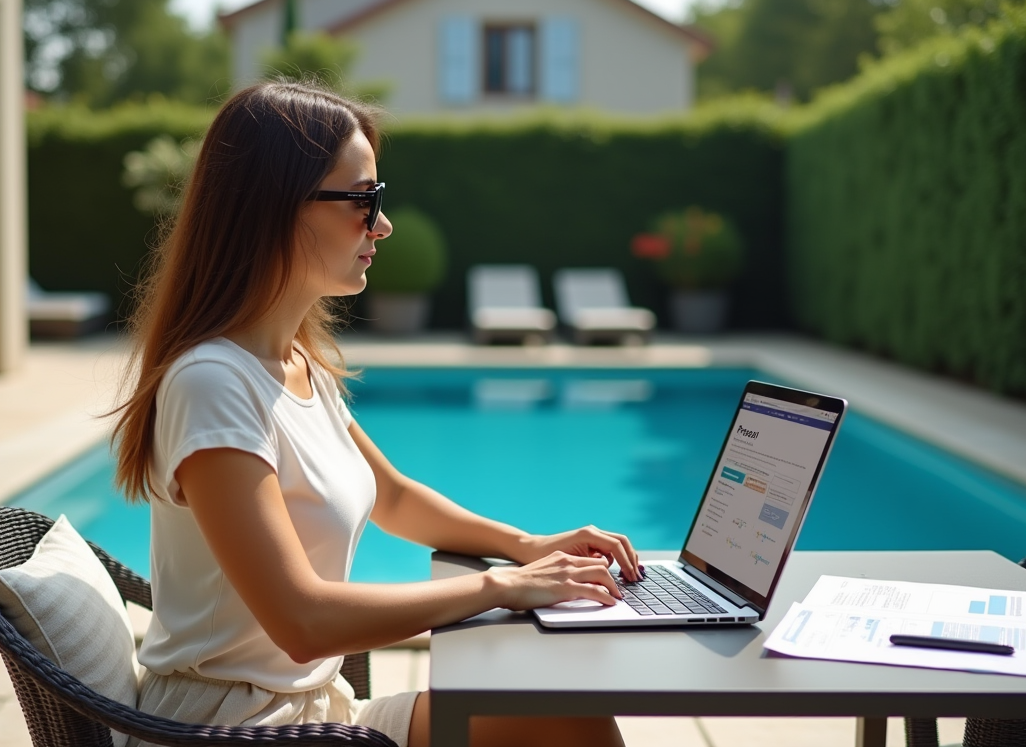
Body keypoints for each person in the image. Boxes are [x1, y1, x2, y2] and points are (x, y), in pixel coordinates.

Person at [111, 81, 640, 747]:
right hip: (228, 728)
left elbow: (393, 496)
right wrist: (503, 587)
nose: (382, 225)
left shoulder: (295, 363)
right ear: (276, 208)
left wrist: (528, 547)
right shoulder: (212, 383)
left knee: (568, 713)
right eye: (365, 200)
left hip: (311, 712)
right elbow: (302, 619)